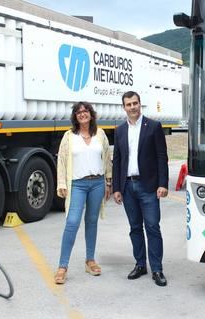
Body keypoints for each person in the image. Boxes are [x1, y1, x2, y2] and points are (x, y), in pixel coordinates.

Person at [112, 91, 169, 287]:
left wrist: (163, 184)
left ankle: (157, 269)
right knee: (135, 228)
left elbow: (162, 156)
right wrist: (117, 188)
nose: (132, 107)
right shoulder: (119, 130)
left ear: (140, 104)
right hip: (128, 187)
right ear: (124, 107)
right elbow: (117, 160)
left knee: (152, 227)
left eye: (135, 103)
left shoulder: (153, 127)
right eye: (128, 104)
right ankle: (140, 264)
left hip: (149, 187)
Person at [54, 102, 112, 285]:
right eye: (78, 112)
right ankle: (63, 266)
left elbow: (107, 159)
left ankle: (90, 260)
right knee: (72, 222)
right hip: (77, 184)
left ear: (91, 114)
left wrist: (108, 181)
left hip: (97, 183)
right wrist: (61, 183)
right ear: (75, 117)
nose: (82, 114)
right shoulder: (69, 136)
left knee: (92, 221)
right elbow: (62, 161)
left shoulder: (100, 134)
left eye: (85, 111)